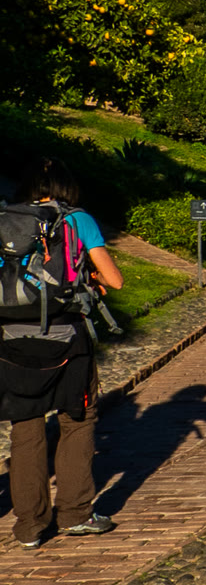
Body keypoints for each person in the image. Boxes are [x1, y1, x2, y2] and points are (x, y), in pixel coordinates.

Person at [0, 177, 123, 545]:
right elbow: (115, 281)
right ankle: (74, 513)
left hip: (10, 339)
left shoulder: (5, 220)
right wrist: (90, 278)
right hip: (67, 337)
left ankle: (29, 526)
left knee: (25, 429)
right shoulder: (77, 219)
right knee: (77, 421)